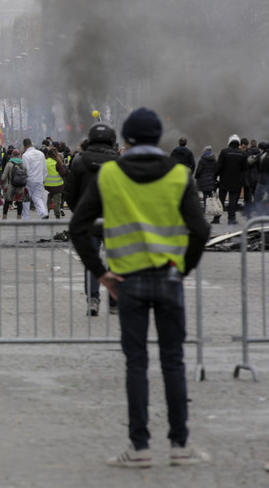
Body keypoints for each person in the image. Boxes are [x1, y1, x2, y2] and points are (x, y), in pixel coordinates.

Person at [69, 108, 210, 468]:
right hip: (168, 278)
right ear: (158, 138)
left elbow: (80, 227)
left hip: (127, 281)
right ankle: (180, 445)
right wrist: (184, 269)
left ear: (126, 141)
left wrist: (100, 273)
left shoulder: (111, 175)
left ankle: (139, 447)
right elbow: (200, 230)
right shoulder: (179, 175)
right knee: (173, 362)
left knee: (136, 364)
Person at [63, 122, 120, 316]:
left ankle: (93, 299)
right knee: (117, 262)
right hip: (114, 220)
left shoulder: (79, 161)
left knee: (91, 262)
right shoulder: (119, 162)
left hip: (88, 220)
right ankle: (114, 301)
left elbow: (69, 192)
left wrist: (79, 212)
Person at [215, 134, 247, 225]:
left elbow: (219, 166)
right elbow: (245, 169)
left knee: (221, 200)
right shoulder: (243, 154)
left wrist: (214, 177)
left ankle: (217, 218)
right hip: (236, 181)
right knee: (233, 201)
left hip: (224, 180)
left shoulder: (224, 152)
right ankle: (231, 219)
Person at [21, 138, 48, 220]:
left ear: (24, 146)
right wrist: (43, 178)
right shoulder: (41, 154)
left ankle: (26, 217)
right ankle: (43, 213)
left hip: (30, 180)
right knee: (37, 197)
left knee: (26, 199)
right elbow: (44, 168)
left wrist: (25, 182)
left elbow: (26, 170)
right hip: (39, 179)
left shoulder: (25, 155)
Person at [0, 149, 25, 220]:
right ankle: (19, 217)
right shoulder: (22, 163)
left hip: (11, 185)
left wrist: (1, 184)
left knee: (7, 200)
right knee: (19, 201)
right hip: (20, 186)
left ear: (12, 155)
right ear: (19, 155)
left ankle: (4, 217)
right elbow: (26, 174)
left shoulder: (9, 164)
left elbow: (4, 176)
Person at [43, 147, 67, 219]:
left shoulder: (45, 162)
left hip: (46, 186)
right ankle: (57, 214)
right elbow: (63, 173)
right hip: (57, 186)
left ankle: (46, 213)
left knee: (47, 201)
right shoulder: (56, 163)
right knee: (57, 202)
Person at [194, 146, 218, 212]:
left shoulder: (202, 160)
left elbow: (199, 170)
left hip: (203, 180)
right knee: (210, 194)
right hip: (211, 180)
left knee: (205, 195)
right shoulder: (214, 160)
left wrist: (196, 176)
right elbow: (216, 170)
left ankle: (206, 208)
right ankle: (211, 208)